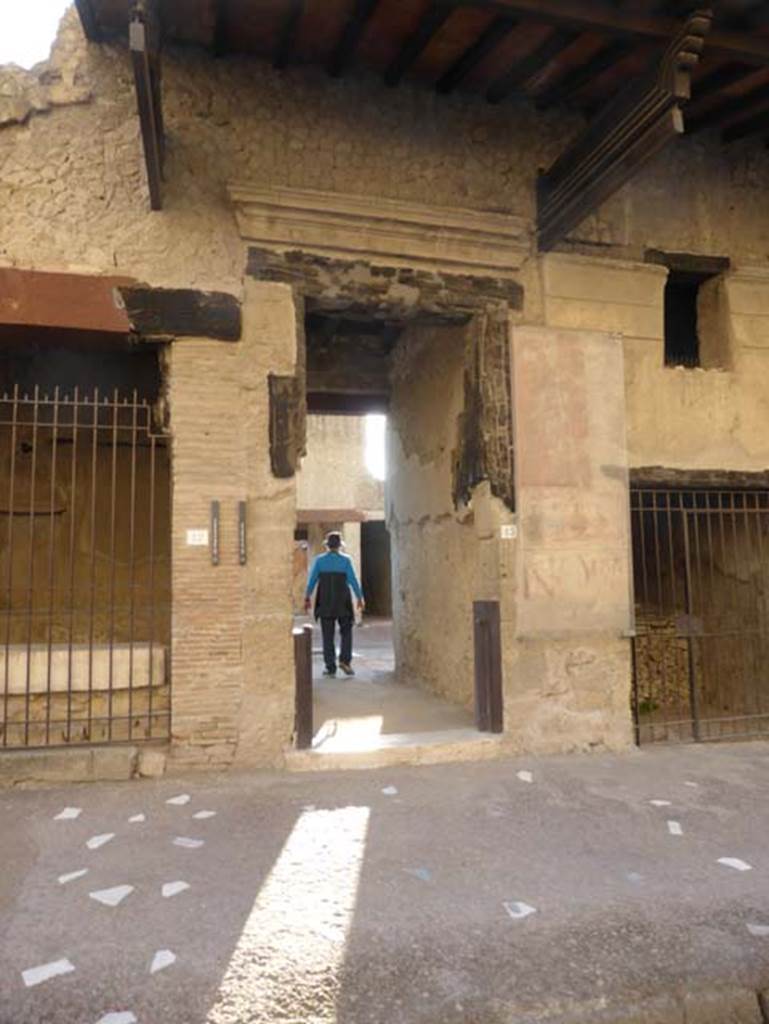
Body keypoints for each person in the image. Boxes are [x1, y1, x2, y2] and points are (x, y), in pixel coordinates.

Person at [304, 531, 364, 677]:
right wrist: (359, 598)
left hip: (325, 602)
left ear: (327, 546)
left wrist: (307, 597)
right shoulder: (346, 560)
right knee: (346, 631)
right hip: (342, 601)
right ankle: (345, 661)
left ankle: (330, 667)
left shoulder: (319, 561)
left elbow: (312, 580)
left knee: (327, 635)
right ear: (339, 546)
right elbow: (353, 580)